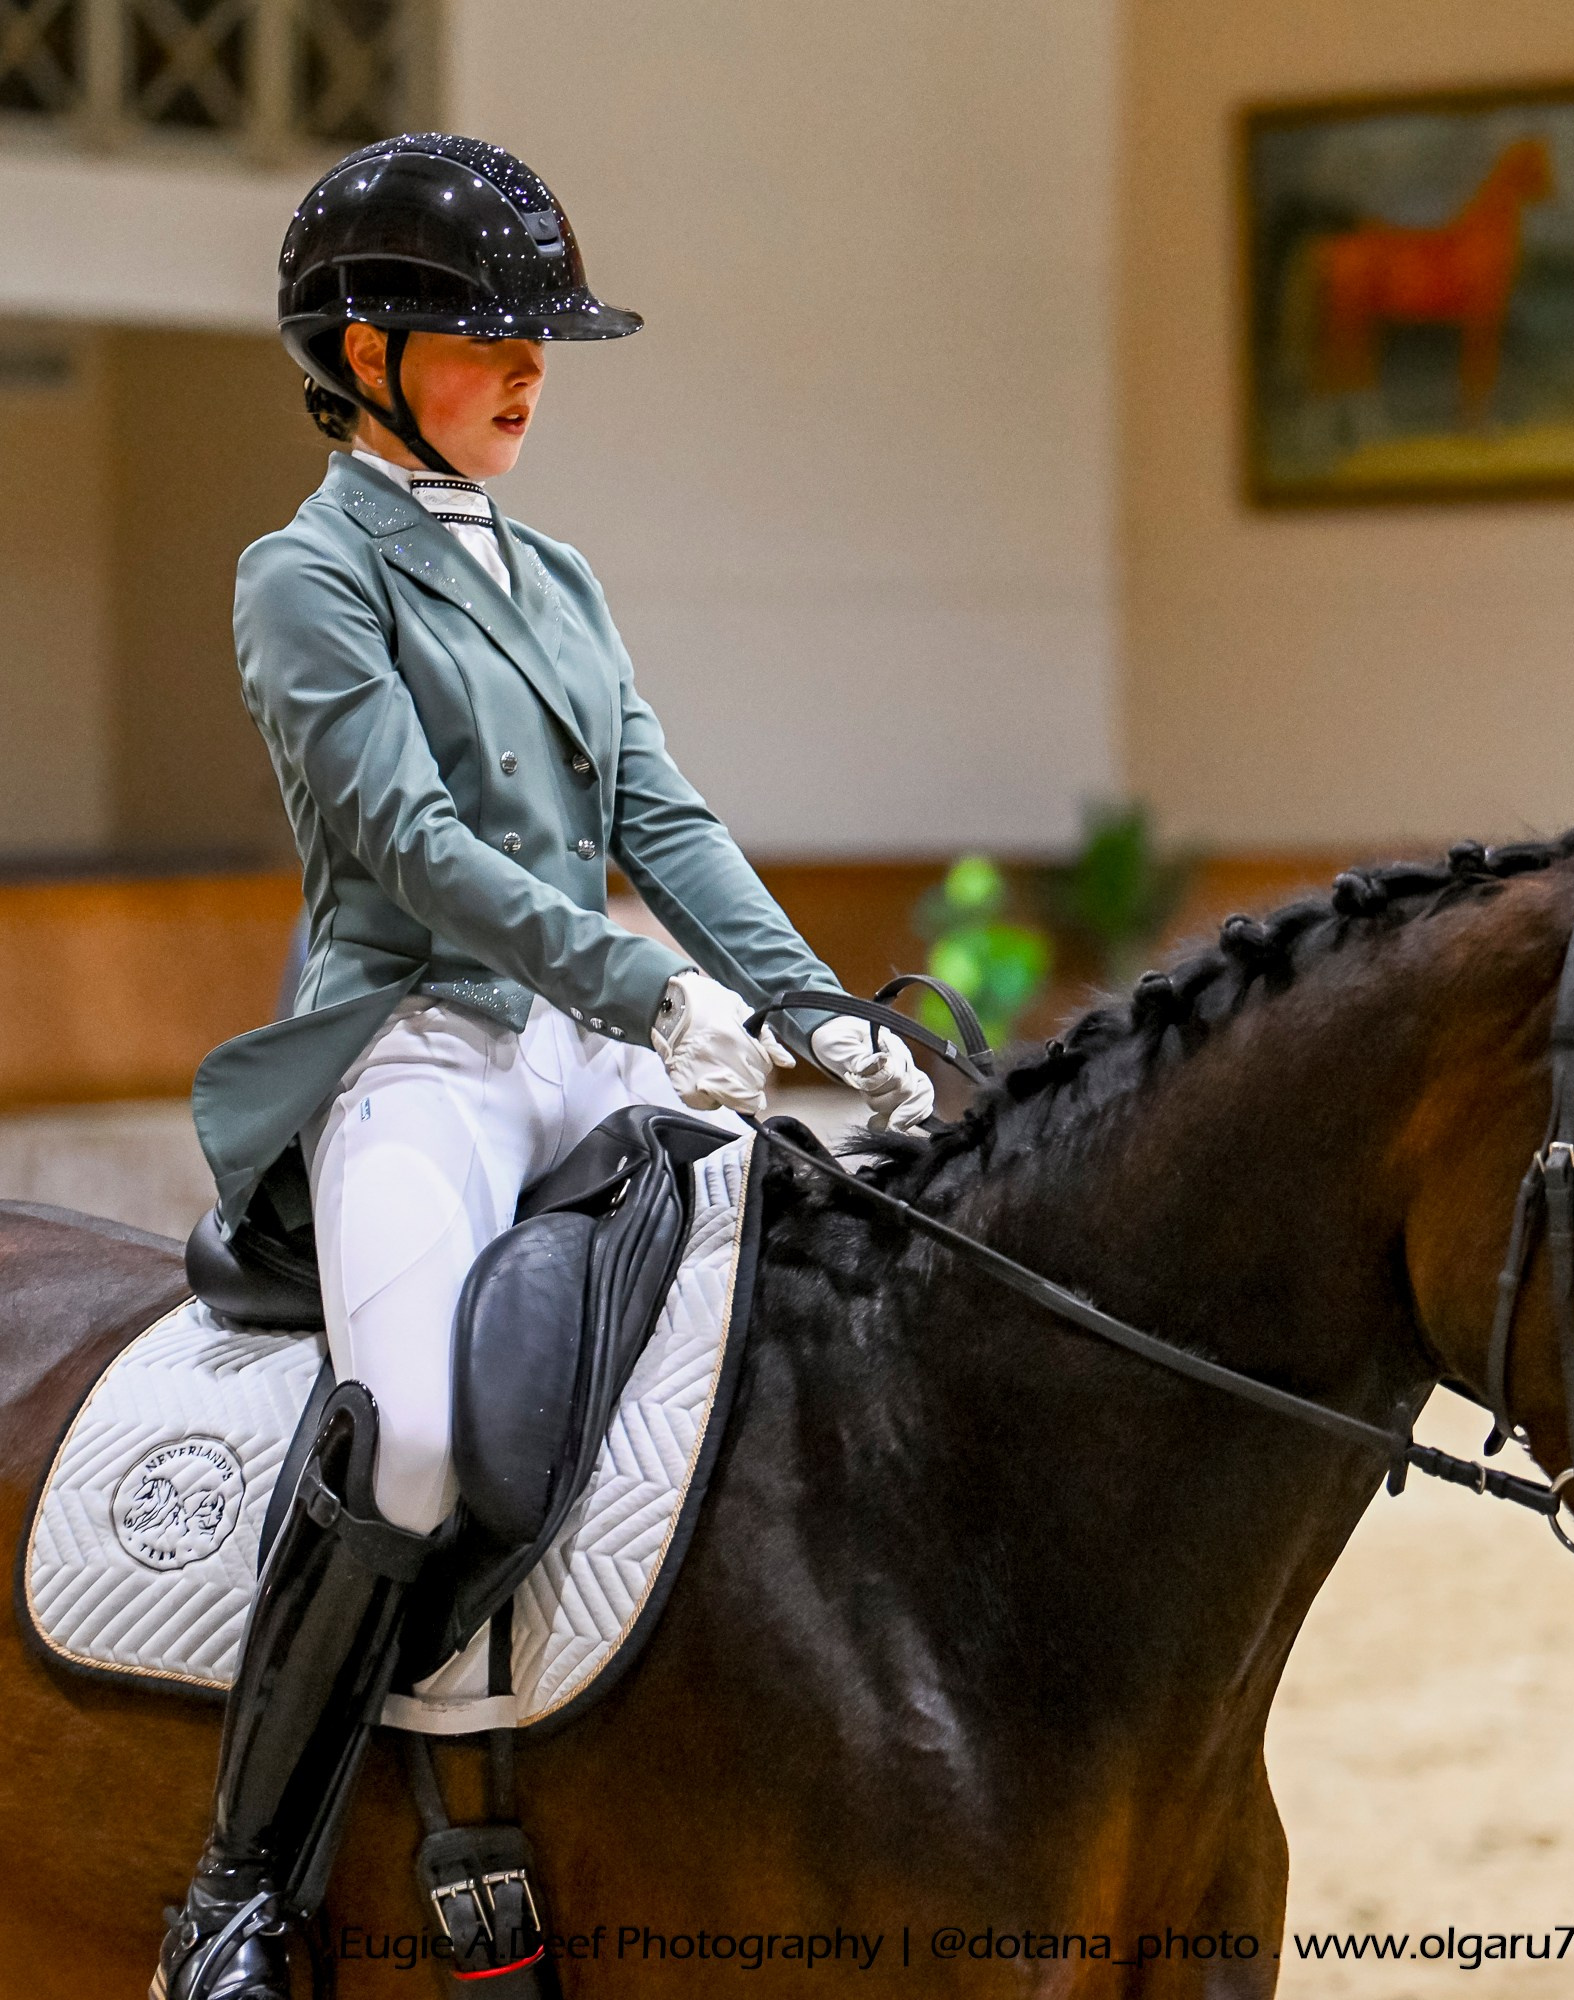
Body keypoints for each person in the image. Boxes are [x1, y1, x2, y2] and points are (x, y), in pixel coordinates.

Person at [157, 132, 932, 2000]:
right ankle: (243, 1890)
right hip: (412, 1047)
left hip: (591, 1037)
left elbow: (660, 813)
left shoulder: (561, 576)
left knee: (809, 1292)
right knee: (416, 1437)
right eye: (492, 340)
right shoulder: (303, 578)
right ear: (359, 354)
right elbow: (416, 845)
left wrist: (814, 1005)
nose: (530, 373)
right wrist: (652, 996)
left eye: (539, 344)